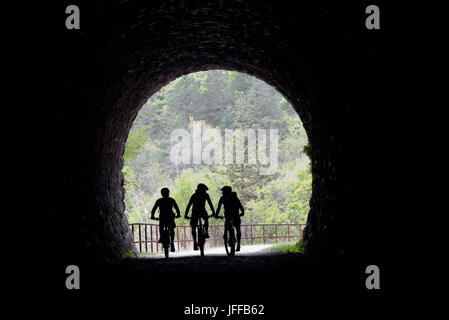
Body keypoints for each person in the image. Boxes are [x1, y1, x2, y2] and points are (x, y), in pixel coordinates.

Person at [184, 183, 215, 250]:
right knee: (206, 220)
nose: (205, 191)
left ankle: (195, 242)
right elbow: (210, 204)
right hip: (202, 211)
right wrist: (213, 213)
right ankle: (206, 232)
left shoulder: (194, 195)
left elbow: (189, 205)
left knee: (193, 227)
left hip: (195, 212)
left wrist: (186, 215)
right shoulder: (205, 195)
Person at [150, 187, 181, 252]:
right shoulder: (172, 200)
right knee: (171, 229)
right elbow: (177, 208)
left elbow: (153, 209)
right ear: (168, 193)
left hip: (162, 217)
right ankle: (172, 243)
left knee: (161, 228)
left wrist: (152, 216)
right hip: (170, 216)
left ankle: (161, 237)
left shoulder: (159, 200)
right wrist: (178, 214)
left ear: (162, 194)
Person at [215, 186, 245, 251]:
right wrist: (242, 212)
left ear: (227, 192)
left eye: (223, 191)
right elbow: (240, 206)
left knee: (232, 227)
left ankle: (236, 242)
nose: (222, 193)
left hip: (231, 215)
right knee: (237, 229)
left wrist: (216, 215)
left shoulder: (224, 198)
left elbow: (218, 208)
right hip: (234, 215)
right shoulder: (231, 197)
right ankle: (237, 244)